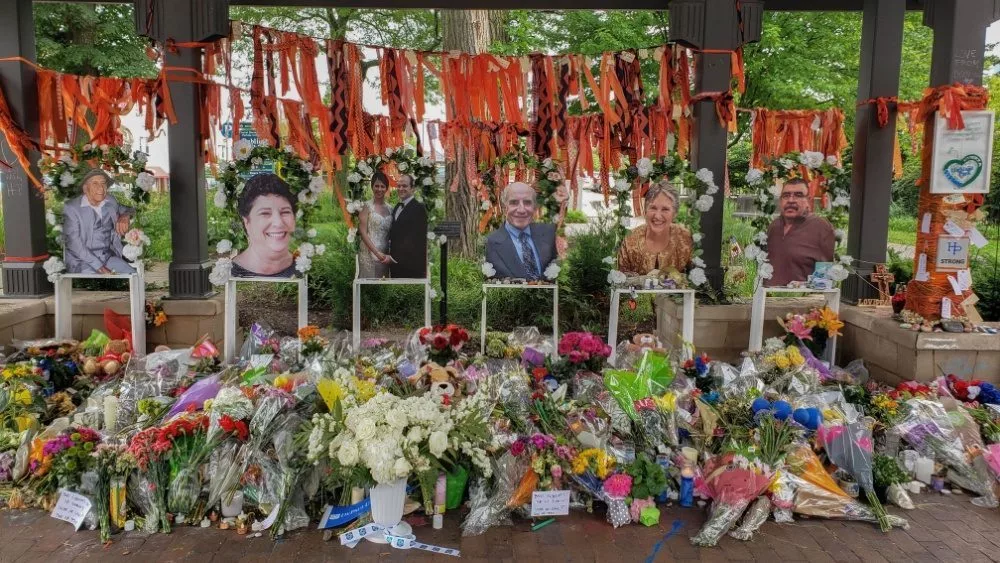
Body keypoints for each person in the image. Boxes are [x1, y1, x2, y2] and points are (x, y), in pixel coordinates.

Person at [765, 177, 835, 287]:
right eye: (786, 195)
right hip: (767, 296)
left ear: (808, 200)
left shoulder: (821, 228)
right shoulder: (774, 226)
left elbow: (824, 280)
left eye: (798, 195)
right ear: (780, 200)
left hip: (802, 297)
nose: (791, 200)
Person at [63, 168, 135, 274]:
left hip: (107, 258)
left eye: (103, 183)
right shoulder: (71, 208)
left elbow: (129, 209)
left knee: (133, 276)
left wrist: (125, 216)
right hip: (82, 262)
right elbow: (74, 244)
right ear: (85, 188)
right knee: (101, 281)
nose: (101, 188)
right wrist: (100, 267)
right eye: (95, 183)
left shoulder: (110, 201)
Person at [484, 182, 558, 280]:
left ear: (534, 207)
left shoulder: (550, 233)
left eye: (527, 202)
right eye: (514, 203)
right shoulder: (489, 243)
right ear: (504, 207)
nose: (521, 210)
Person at [617, 182, 693, 275]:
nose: (657, 216)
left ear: (675, 213)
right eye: (653, 208)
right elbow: (621, 279)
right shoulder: (630, 240)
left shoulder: (686, 239)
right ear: (645, 210)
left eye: (665, 209)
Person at [231, 173, 299, 278]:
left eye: (285, 212)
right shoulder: (230, 273)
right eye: (265, 213)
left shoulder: (305, 268)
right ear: (246, 221)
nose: (278, 223)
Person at [388, 173, 428, 279]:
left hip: (411, 266)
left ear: (412, 188)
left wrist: (397, 257)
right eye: (399, 186)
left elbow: (418, 239)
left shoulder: (419, 208)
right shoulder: (397, 207)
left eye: (404, 186)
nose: (401, 189)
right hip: (395, 265)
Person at [357, 171, 393, 278]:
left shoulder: (390, 209)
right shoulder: (366, 207)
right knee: (368, 285)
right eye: (376, 186)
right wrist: (376, 253)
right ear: (372, 187)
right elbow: (363, 232)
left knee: (383, 284)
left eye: (382, 186)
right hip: (368, 254)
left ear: (386, 188)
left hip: (384, 256)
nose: (379, 189)